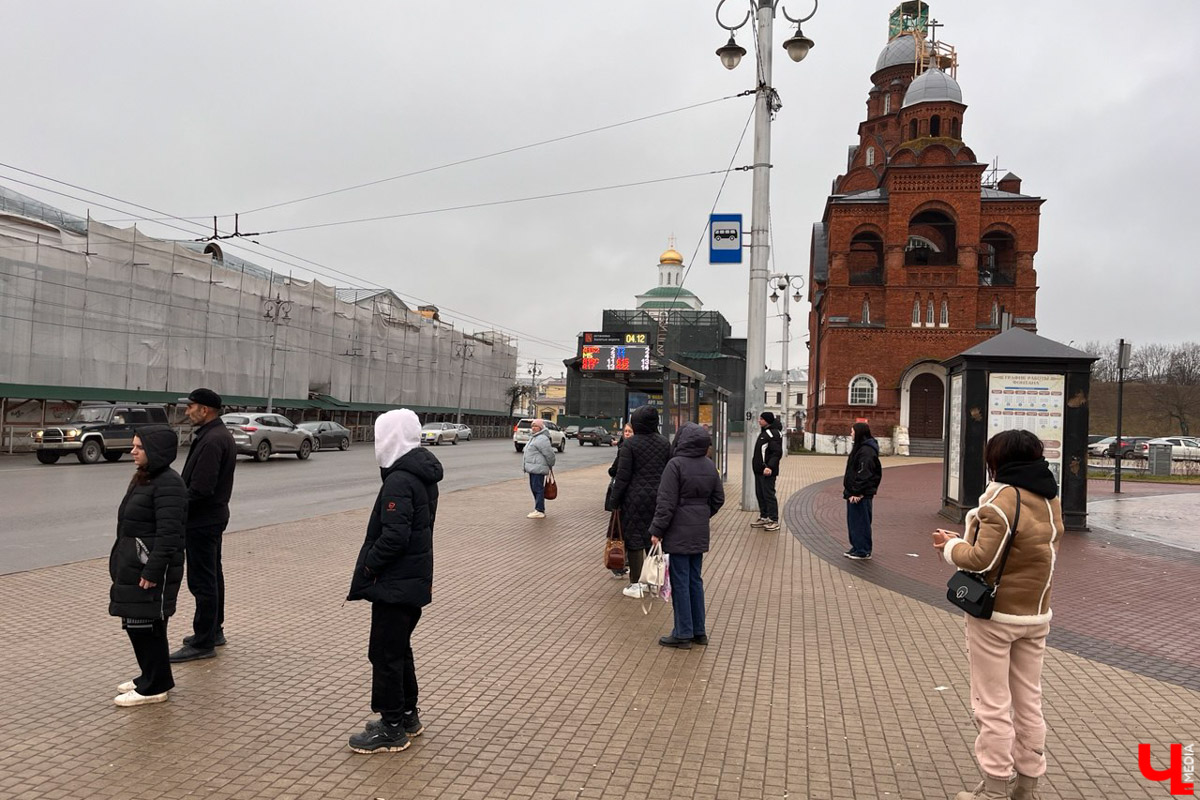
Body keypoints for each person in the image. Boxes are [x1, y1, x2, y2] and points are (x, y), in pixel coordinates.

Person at [932, 429, 1063, 800]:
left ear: (997, 459)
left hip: (996, 616)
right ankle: (1027, 784)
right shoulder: (1049, 498)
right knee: (1028, 700)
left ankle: (993, 786)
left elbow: (980, 559)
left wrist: (950, 545)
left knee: (991, 703)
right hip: (1036, 615)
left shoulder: (1000, 501)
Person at [346, 409, 443, 754]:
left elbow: (395, 537)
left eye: (381, 434)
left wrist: (369, 568)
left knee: (384, 653)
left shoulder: (400, 480)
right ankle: (406, 715)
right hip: (410, 581)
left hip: (396, 582)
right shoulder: (418, 474)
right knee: (398, 650)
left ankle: (391, 728)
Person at [109, 427, 187, 706]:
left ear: (155, 451)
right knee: (136, 623)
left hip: (151, 569)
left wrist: (152, 570)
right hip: (135, 564)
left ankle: (155, 687)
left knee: (147, 626)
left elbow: (169, 535)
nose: (133, 451)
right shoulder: (147, 478)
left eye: (139, 447)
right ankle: (151, 676)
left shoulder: (168, 484)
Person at [170, 388, 237, 663]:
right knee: (213, 576)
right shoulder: (215, 435)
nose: (187, 412)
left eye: (191, 407)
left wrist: (174, 506)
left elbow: (201, 489)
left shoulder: (212, 440)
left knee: (202, 581)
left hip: (202, 521)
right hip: (211, 517)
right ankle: (214, 630)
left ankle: (203, 641)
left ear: (205, 410)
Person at [649, 422, 725, 649]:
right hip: (698, 531)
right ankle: (698, 631)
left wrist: (657, 530)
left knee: (680, 581)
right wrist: (702, 514)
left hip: (678, 531)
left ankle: (682, 633)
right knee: (695, 579)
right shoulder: (710, 465)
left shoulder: (675, 465)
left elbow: (666, 502)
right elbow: (718, 499)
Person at [609, 407, 671, 598]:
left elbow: (623, 476)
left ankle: (636, 584)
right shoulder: (664, 443)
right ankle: (653, 582)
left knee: (635, 539)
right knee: (654, 538)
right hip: (659, 496)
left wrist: (614, 500)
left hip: (634, 498)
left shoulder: (630, 444)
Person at [843, 421, 882, 560]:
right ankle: (856, 546)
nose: (851, 434)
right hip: (854, 492)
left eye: (852, 431)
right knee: (854, 521)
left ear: (859, 433)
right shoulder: (860, 448)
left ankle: (863, 550)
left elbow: (864, 473)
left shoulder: (867, 450)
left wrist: (857, 492)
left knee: (861, 521)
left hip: (861, 494)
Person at [605, 422, 637, 579]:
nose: (627, 433)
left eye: (630, 431)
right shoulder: (624, 447)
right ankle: (620, 562)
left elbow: (617, 470)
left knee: (621, 531)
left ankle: (621, 562)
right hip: (625, 494)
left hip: (624, 495)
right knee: (621, 531)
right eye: (625, 431)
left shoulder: (626, 448)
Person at [750, 411, 784, 531]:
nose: (759, 420)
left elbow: (777, 453)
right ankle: (764, 517)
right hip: (759, 470)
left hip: (767, 471)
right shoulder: (764, 432)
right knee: (760, 494)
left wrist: (769, 466)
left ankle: (774, 520)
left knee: (769, 495)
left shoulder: (773, 433)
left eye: (761, 419)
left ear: (767, 420)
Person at [521, 418, 556, 519]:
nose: (533, 428)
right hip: (533, 468)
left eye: (535, 426)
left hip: (538, 468)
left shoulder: (542, 438)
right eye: (532, 426)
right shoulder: (535, 437)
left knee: (538, 489)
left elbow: (549, 454)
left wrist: (550, 464)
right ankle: (538, 508)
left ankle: (540, 510)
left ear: (540, 427)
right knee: (534, 488)